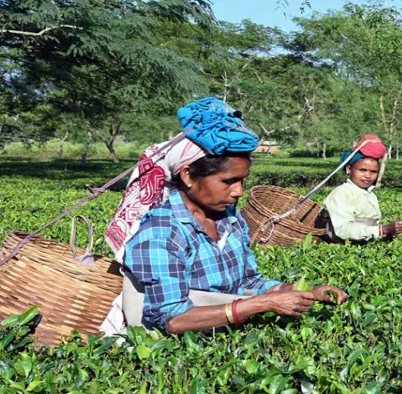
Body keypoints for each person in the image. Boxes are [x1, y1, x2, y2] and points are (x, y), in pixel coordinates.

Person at [112, 98, 348, 334]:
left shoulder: (229, 219)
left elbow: (249, 282)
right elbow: (174, 319)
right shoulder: (162, 231)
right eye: (228, 181)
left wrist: (303, 291)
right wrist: (261, 304)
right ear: (187, 175)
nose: (239, 191)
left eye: (242, 180)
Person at [322, 135, 402, 243]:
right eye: (362, 170)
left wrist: (389, 233)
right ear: (349, 169)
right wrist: (383, 230)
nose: (368, 175)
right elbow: (342, 230)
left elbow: (370, 228)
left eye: (373, 172)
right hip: (346, 251)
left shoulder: (370, 195)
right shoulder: (342, 193)